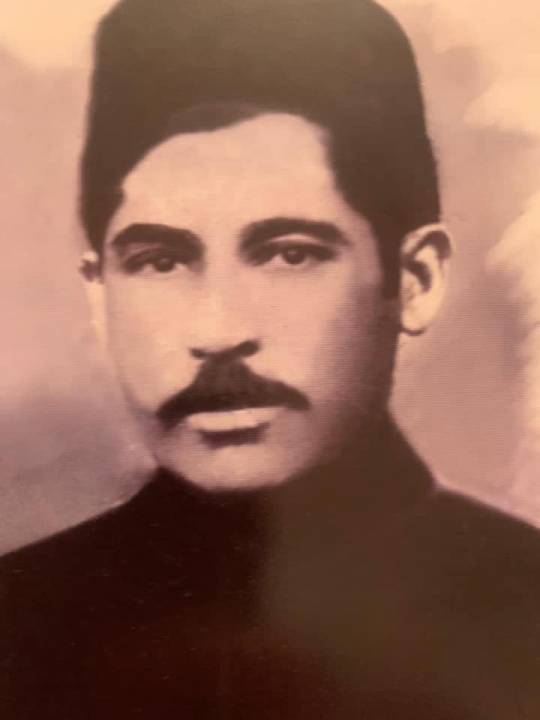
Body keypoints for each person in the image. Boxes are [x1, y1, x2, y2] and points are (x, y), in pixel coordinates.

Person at [2, 1, 540, 718]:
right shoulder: (16, 623)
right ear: (100, 296)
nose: (218, 329)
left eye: (290, 255)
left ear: (415, 280)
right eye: (160, 261)